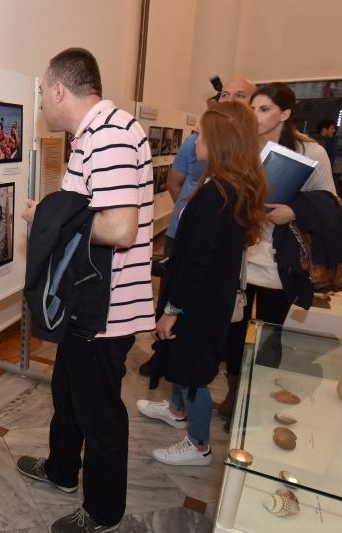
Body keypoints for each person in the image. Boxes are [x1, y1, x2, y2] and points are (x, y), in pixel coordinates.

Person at [15, 48, 154, 533]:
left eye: (41, 95)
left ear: (58, 89)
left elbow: (119, 228)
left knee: (99, 415)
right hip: (89, 302)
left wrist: (47, 219)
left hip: (106, 310)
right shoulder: (93, 135)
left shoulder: (111, 134)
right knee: (68, 393)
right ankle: (61, 470)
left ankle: (103, 512)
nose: (41, 107)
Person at [136, 101, 267, 466]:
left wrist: (171, 311)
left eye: (201, 133)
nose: (194, 140)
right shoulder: (232, 187)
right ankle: (176, 411)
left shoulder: (217, 195)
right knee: (184, 362)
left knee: (194, 374)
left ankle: (198, 445)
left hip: (198, 304)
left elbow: (197, 263)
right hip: (209, 300)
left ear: (220, 141)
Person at [223, 82, 336, 420]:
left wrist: (294, 211)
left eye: (264, 109)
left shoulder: (311, 153)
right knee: (234, 328)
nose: (254, 116)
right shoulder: (243, 148)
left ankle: (255, 399)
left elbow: (330, 202)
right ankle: (234, 394)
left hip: (281, 260)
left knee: (270, 334)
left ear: (285, 114)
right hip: (243, 257)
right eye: (252, 108)